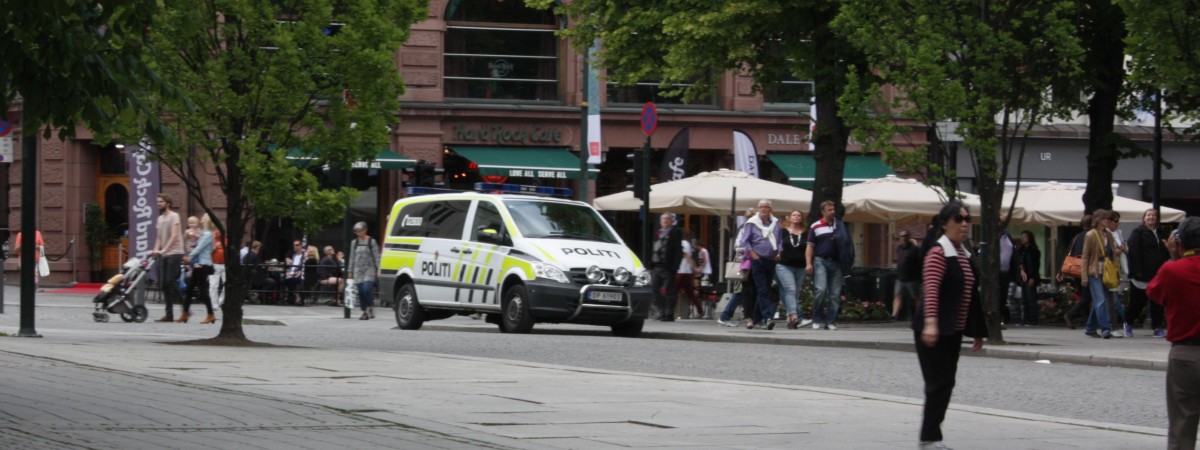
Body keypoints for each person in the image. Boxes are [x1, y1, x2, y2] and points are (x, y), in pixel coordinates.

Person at [913, 200, 986, 449]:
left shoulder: (962, 253)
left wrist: (977, 331)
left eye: (967, 219)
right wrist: (931, 323)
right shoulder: (939, 252)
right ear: (944, 224)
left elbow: (971, 294)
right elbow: (931, 290)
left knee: (946, 382)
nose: (964, 224)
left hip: (951, 329)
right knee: (938, 383)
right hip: (934, 327)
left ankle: (931, 436)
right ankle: (929, 438)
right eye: (958, 219)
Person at [1147, 216, 1200, 450]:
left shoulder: (1172, 271)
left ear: (1179, 242)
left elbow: (1154, 293)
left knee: (1182, 425)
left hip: (1185, 353)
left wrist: (1174, 257)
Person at [806, 200, 855, 331]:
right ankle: (816, 319)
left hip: (837, 262)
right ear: (823, 211)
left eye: (833, 209)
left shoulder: (840, 226)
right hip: (820, 260)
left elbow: (847, 244)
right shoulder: (815, 226)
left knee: (835, 294)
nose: (832, 212)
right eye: (829, 210)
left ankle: (830, 321)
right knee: (821, 290)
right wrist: (808, 263)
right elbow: (810, 246)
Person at [739, 199, 781, 330]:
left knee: (766, 290)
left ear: (770, 210)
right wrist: (753, 254)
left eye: (766, 207)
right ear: (758, 209)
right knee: (762, 289)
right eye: (761, 207)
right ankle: (768, 318)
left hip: (771, 259)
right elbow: (745, 241)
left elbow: (779, 240)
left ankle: (755, 318)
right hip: (758, 260)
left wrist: (779, 252)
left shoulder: (775, 223)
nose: (763, 209)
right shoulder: (752, 223)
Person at [1128, 209, 1170, 338]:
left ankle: (1157, 327)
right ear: (1144, 218)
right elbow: (1133, 252)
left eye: (1153, 215)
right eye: (1149, 215)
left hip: (1157, 273)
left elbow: (1165, 251)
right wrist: (1137, 270)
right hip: (1142, 273)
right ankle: (1128, 322)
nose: (1151, 217)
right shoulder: (1138, 232)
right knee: (1138, 301)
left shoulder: (1161, 233)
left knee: (1157, 301)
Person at [1082, 209, 1119, 339]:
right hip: (1095, 271)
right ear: (1098, 220)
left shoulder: (1108, 235)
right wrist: (1084, 276)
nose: (1107, 221)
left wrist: (1116, 270)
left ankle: (1090, 327)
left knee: (1099, 300)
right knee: (1101, 299)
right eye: (1105, 219)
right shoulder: (1091, 235)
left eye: (1108, 219)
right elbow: (1085, 257)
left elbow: (1112, 254)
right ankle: (1105, 329)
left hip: (1106, 271)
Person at [777, 210, 814, 329]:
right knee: (790, 289)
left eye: (799, 215)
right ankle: (794, 316)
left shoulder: (806, 233)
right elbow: (777, 244)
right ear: (790, 218)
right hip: (784, 265)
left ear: (802, 218)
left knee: (794, 292)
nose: (796, 217)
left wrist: (809, 263)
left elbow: (810, 248)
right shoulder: (783, 231)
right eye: (794, 215)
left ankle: (789, 318)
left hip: (801, 266)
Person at [718, 208, 755, 327]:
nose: (751, 218)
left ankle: (750, 316)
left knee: (747, 291)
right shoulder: (744, 228)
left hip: (750, 263)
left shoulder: (754, 228)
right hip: (743, 264)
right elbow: (737, 246)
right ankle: (725, 316)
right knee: (739, 291)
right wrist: (749, 249)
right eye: (749, 216)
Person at [151, 194, 185, 322]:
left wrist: (165, 249)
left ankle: (185, 307)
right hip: (164, 254)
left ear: (168, 203)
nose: (158, 203)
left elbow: (175, 235)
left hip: (175, 252)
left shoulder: (174, 216)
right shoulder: (159, 219)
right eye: (157, 201)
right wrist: (156, 250)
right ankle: (169, 315)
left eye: (161, 201)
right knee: (164, 284)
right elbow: (159, 237)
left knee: (170, 281)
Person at [180, 214, 217, 324]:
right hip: (198, 265)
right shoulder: (204, 233)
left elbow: (199, 248)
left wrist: (189, 257)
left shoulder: (207, 234)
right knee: (190, 289)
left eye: (204, 217)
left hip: (203, 264)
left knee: (202, 291)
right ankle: (185, 313)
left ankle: (210, 314)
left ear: (207, 220)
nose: (201, 218)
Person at [1060, 214, 1093, 329]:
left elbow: (1069, 251)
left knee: (1084, 295)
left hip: (1075, 269)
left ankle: (1088, 321)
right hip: (1086, 268)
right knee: (1087, 297)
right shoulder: (1091, 236)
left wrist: (1061, 271)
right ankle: (1070, 315)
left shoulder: (1077, 237)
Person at [651, 213, 683, 322]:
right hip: (657, 266)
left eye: (667, 219)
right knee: (654, 288)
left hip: (668, 267)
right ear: (660, 221)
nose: (665, 220)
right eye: (663, 219)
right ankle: (661, 311)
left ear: (671, 221)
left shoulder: (675, 232)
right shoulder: (657, 233)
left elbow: (678, 250)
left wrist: (675, 266)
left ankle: (669, 314)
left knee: (670, 291)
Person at [348, 222, 381, 320]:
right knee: (361, 292)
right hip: (358, 270)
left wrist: (379, 268)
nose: (358, 233)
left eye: (360, 231)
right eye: (356, 231)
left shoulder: (371, 241)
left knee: (366, 289)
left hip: (369, 269)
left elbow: (376, 255)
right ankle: (364, 312)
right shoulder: (354, 243)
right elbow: (351, 257)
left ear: (365, 230)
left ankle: (370, 305)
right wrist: (350, 270)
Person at [1014, 230, 1041, 326]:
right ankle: (1025, 319)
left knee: (1031, 299)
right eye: (1021, 236)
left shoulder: (1033, 250)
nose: (1022, 238)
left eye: (1024, 236)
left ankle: (1033, 319)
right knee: (1024, 299)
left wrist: (1033, 277)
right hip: (1022, 277)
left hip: (1030, 276)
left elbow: (1035, 265)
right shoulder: (1021, 251)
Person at [892, 230, 921, 322]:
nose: (903, 238)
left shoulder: (915, 249)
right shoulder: (899, 248)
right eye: (901, 236)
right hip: (900, 278)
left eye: (905, 236)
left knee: (915, 298)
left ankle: (920, 315)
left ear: (909, 237)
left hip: (912, 279)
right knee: (897, 296)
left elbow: (920, 263)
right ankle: (894, 315)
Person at [675, 230, 702, 319]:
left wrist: (693, 267)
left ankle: (669, 310)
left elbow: (686, 255)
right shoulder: (687, 244)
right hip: (687, 272)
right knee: (690, 293)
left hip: (682, 270)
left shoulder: (682, 243)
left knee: (674, 291)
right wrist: (694, 268)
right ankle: (700, 310)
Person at [996, 217, 1015, 326]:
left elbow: (1013, 253)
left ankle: (999, 319)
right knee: (996, 297)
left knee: (1003, 297)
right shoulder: (993, 236)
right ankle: (995, 321)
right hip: (995, 272)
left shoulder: (1007, 236)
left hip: (1006, 272)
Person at [208, 226, 227, 309]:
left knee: (227, 284)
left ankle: (221, 300)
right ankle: (213, 304)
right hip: (214, 264)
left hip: (224, 264)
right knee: (213, 285)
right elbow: (207, 252)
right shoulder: (212, 239)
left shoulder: (226, 239)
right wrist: (215, 247)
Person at [283, 239, 306, 305]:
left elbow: (305, 266)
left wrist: (301, 271)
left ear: (301, 246)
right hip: (290, 273)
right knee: (282, 277)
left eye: (297, 245)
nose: (295, 246)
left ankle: (295, 296)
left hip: (298, 274)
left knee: (296, 279)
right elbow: (288, 262)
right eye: (294, 245)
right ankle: (290, 297)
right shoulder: (292, 254)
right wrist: (288, 270)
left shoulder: (303, 255)